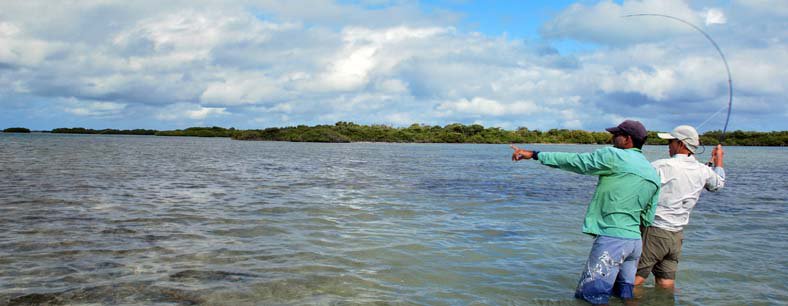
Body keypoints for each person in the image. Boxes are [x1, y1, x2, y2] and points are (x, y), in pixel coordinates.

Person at [511, 120, 660, 305]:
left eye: (616, 135)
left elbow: (576, 162)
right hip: (635, 243)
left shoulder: (614, 156)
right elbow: (647, 217)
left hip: (612, 239)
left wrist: (535, 154)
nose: (612, 138)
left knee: (591, 298)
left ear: (627, 139)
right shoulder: (652, 171)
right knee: (625, 296)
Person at [635, 125, 725, 289]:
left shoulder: (660, 165)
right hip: (677, 236)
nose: (668, 145)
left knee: (633, 279)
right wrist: (719, 159)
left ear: (681, 144)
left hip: (654, 231)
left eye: (671, 141)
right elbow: (718, 185)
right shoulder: (703, 170)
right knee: (666, 283)